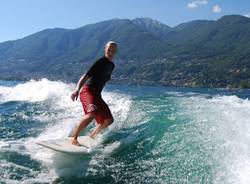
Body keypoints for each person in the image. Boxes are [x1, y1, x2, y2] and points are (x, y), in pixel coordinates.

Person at [70, 41, 117, 146]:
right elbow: (85, 76)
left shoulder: (111, 65)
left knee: (109, 120)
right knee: (91, 115)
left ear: (115, 52)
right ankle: (74, 138)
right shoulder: (100, 62)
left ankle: (92, 136)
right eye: (109, 49)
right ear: (105, 50)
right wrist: (77, 90)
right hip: (88, 91)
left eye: (113, 50)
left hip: (97, 95)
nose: (111, 52)